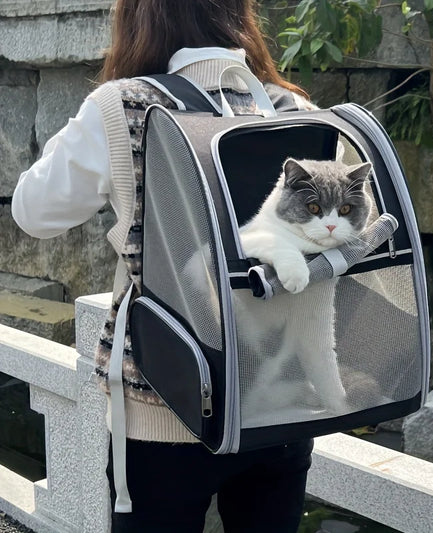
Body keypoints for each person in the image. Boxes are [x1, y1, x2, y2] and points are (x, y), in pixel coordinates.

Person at [12, 1, 316, 531]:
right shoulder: (290, 105)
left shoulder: (122, 105)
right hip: (281, 397)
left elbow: (32, 212)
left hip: (164, 400)